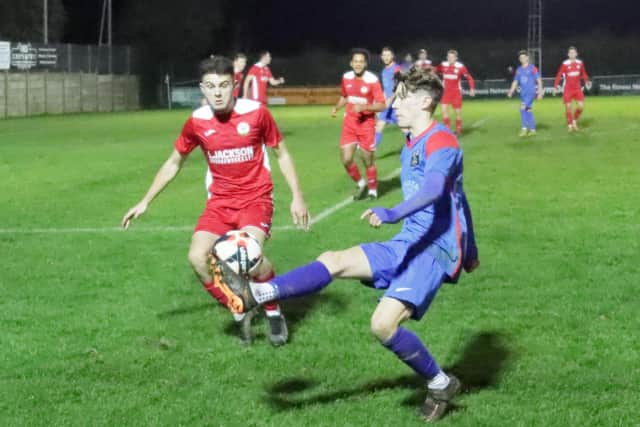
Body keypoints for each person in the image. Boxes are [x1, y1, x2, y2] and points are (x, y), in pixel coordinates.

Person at [211, 66, 480, 422]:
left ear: (426, 101)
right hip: (409, 240)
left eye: (401, 98)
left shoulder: (441, 140)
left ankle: (438, 382)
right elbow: (459, 197)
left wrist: (395, 212)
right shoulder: (411, 143)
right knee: (333, 259)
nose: (393, 104)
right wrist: (472, 250)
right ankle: (256, 295)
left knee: (383, 325)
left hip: (433, 248)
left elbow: (435, 189)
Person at [122, 56, 310, 346]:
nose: (218, 92)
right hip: (219, 202)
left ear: (234, 85)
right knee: (197, 258)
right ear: (202, 89)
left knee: (247, 258)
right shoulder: (197, 122)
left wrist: (297, 197)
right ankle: (240, 306)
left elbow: (282, 154)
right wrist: (145, 200)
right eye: (210, 86)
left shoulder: (257, 113)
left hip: (255, 199)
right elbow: (174, 162)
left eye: (223, 85)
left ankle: (273, 312)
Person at [331, 48, 386, 200]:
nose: (358, 64)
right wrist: (336, 107)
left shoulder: (372, 80)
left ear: (365, 64)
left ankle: (373, 190)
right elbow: (344, 96)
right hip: (349, 124)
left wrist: (364, 107)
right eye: (355, 61)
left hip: (366, 125)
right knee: (346, 159)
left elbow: (382, 105)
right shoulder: (346, 77)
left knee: (367, 160)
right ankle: (361, 184)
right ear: (351, 63)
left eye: (361, 62)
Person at [434, 49, 476, 135]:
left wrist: (472, 89)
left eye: (452, 57)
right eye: (448, 57)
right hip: (445, 92)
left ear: (456, 58)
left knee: (458, 113)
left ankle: (458, 130)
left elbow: (469, 78)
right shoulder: (443, 65)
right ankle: (447, 130)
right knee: (444, 110)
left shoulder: (460, 67)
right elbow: (434, 70)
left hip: (456, 92)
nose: (450, 58)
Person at [553, 46, 591, 132]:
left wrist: (587, 81)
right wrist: (555, 86)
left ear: (576, 54)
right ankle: (570, 125)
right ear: (568, 54)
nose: (572, 54)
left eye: (573, 52)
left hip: (577, 89)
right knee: (568, 107)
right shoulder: (565, 64)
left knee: (581, 107)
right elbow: (559, 74)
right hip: (568, 89)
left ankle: (574, 120)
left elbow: (583, 73)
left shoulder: (580, 63)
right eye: (570, 53)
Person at [507, 50, 543, 137]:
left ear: (527, 58)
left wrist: (540, 92)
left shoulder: (532, 68)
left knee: (522, 109)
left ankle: (524, 129)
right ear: (519, 59)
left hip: (531, 92)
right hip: (523, 94)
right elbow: (515, 81)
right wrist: (511, 90)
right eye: (520, 58)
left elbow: (538, 80)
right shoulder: (519, 70)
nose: (522, 59)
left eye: (524, 57)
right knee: (528, 110)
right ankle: (533, 129)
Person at [375, 46, 403, 147]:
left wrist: (390, 99)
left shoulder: (397, 69)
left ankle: (417, 147)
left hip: (397, 104)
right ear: (381, 57)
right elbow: (386, 89)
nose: (386, 57)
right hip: (387, 105)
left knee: (406, 129)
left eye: (388, 55)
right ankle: (370, 153)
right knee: (379, 126)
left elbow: (400, 87)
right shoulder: (384, 71)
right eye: (384, 55)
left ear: (392, 56)